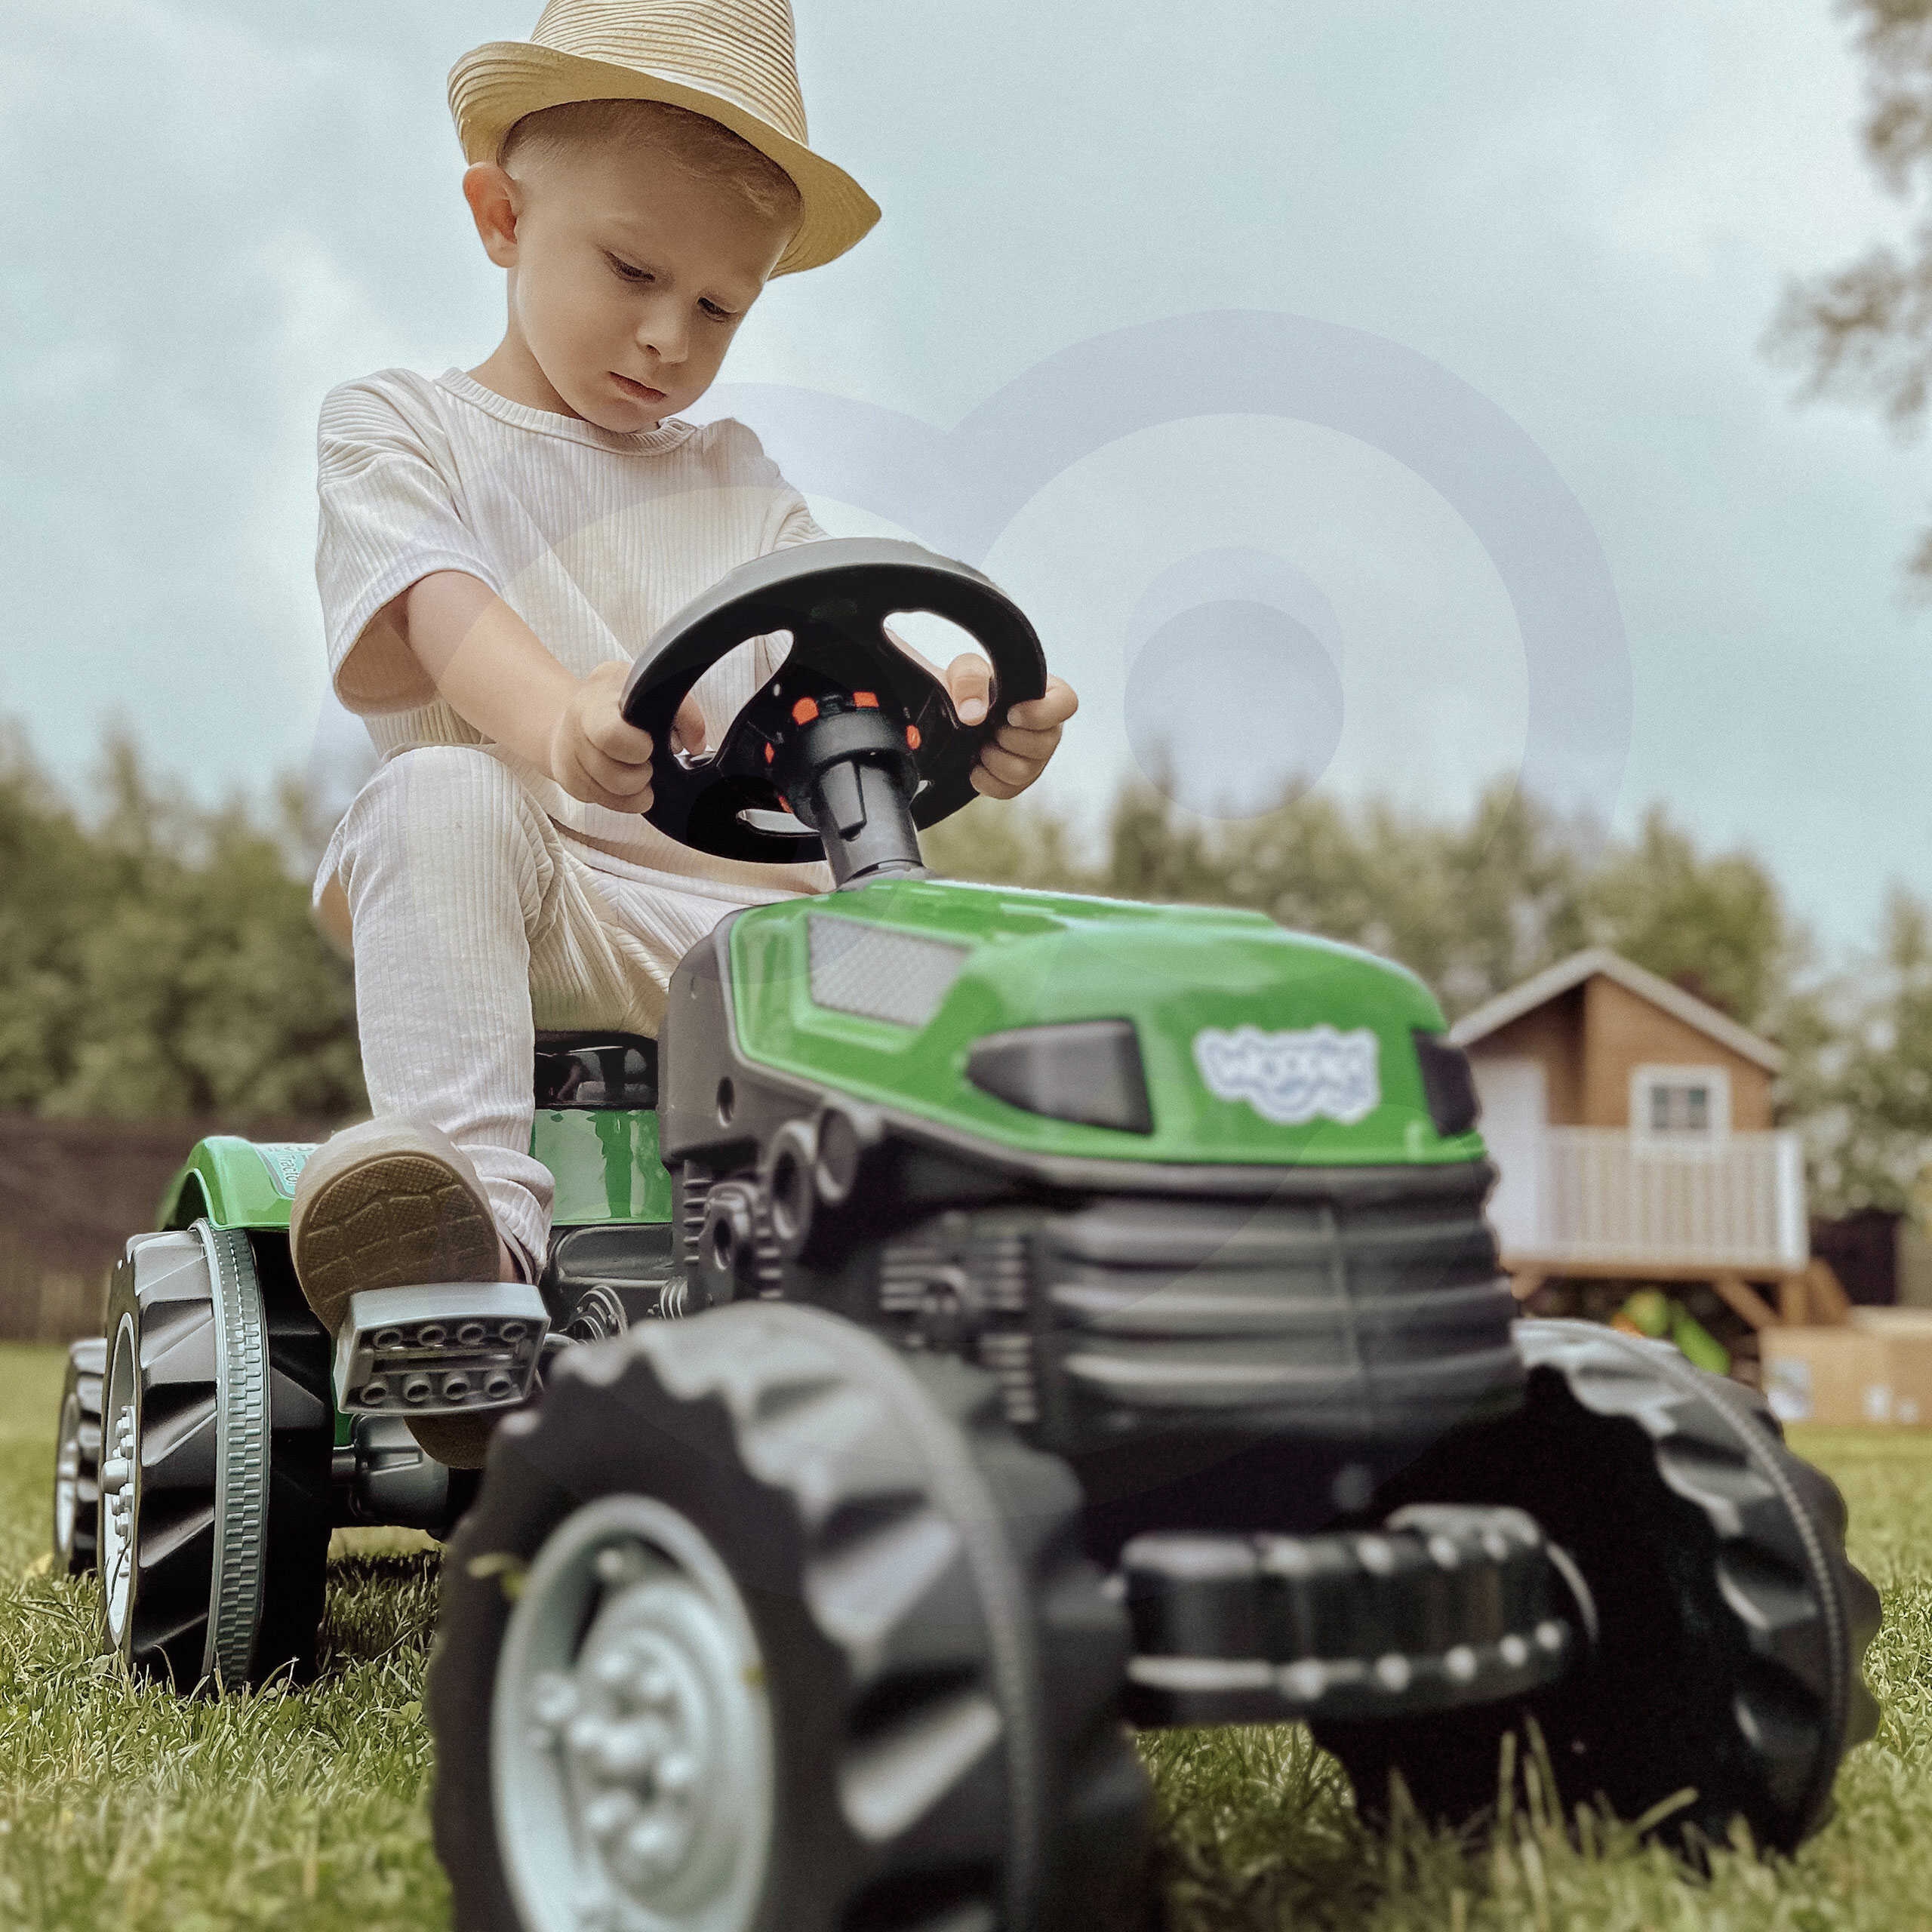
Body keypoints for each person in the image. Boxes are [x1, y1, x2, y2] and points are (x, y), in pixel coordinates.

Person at [291, 0, 1076, 1461]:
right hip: (548, 899)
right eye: (633, 271)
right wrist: (554, 711)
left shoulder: (735, 480)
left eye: (718, 307)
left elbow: (847, 663)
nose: (669, 335)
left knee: (966, 945)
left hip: (748, 936)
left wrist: (968, 716)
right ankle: (477, 1263)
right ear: (499, 217)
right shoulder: (399, 429)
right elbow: (426, 603)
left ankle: (981, 1292)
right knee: (439, 799)